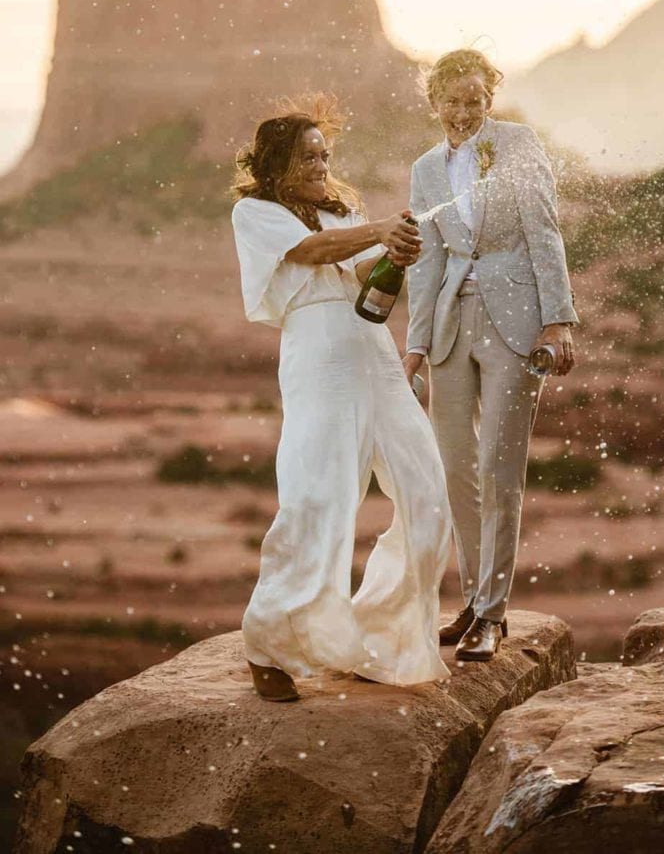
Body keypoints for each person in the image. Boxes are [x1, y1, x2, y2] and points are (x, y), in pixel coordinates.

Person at [231, 97, 451, 701]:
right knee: (317, 497)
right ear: (276, 161)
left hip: (372, 348)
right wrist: (376, 230)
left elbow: (354, 274)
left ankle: (381, 634)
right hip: (318, 352)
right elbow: (310, 255)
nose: (322, 163)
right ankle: (270, 644)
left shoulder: (341, 211)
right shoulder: (254, 212)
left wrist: (391, 254)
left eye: (325, 154)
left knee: (427, 489)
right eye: (308, 155)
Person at [403, 50, 578, 663]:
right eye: (451, 100)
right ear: (434, 104)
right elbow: (427, 260)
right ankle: (472, 599)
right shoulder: (425, 168)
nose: (463, 111)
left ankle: (493, 615)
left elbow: (544, 230)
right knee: (455, 468)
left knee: (499, 467)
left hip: (518, 322)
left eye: (474, 98)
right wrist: (416, 345)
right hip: (451, 323)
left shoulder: (519, 144)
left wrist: (557, 322)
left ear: (489, 98)